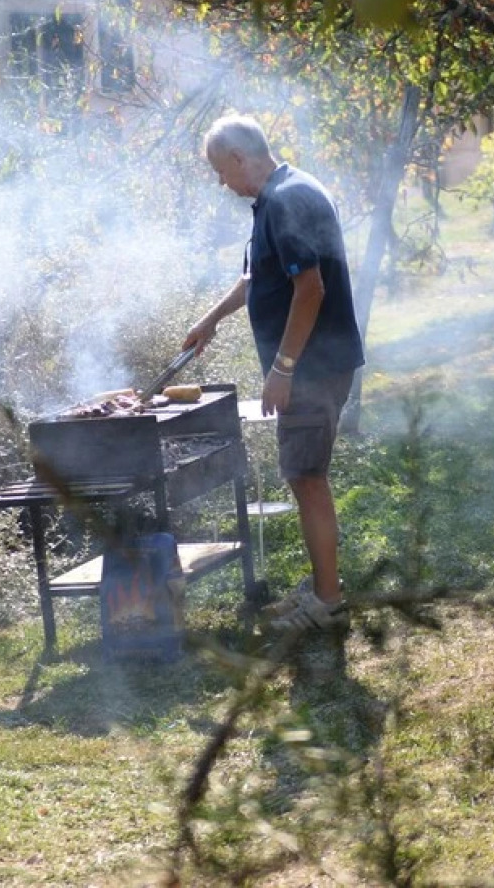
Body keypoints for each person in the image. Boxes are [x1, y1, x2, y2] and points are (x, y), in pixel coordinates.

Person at [182, 114, 364, 633]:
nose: (223, 182)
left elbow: (311, 291)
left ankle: (328, 603)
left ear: (241, 158)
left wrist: (283, 368)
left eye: (222, 171)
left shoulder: (286, 201)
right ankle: (324, 585)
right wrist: (210, 320)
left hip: (312, 367)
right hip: (313, 364)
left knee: (307, 479)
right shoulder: (280, 195)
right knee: (303, 476)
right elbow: (255, 277)